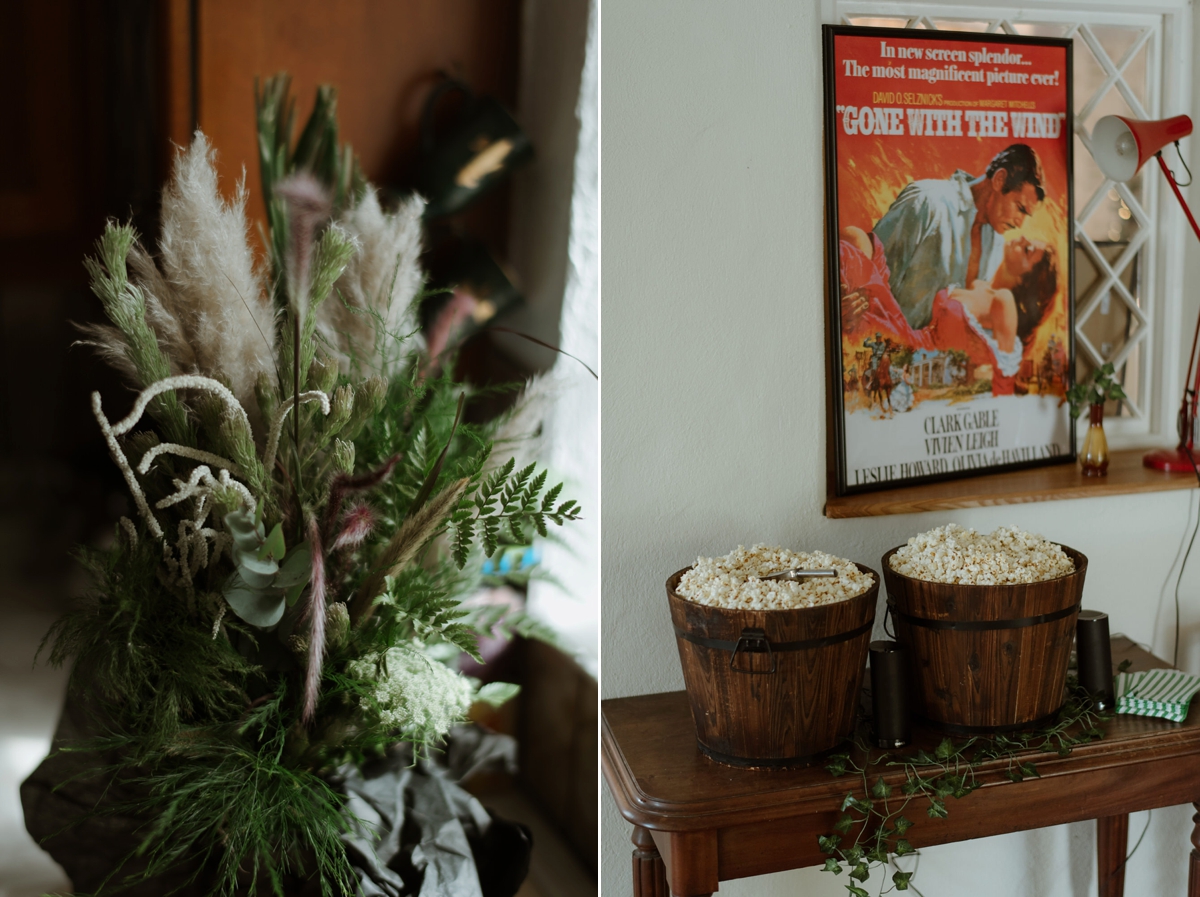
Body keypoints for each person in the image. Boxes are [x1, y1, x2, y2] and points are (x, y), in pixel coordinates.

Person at [839, 226, 1057, 397]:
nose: (1022, 240)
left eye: (1028, 250)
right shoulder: (981, 286)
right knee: (856, 239)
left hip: (910, 362)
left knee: (848, 260)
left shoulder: (1004, 301)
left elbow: (1002, 381)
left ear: (1024, 281)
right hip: (909, 337)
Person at [872, 144, 1046, 330]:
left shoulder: (996, 243)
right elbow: (869, 279)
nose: (1020, 223)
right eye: (1020, 208)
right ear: (999, 180)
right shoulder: (927, 202)